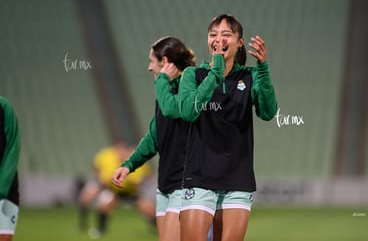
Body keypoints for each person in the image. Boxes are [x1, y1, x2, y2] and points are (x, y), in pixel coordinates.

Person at [178, 14, 277, 241]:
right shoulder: (193, 75)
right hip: (200, 177)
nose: (218, 39)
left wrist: (263, 68)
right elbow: (188, 112)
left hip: (237, 180)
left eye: (226, 34)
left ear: (239, 42)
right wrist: (216, 71)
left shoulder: (250, 76)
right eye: (213, 34)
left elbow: (268, 112)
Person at [112, 36, 196, 241]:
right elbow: (154, 137)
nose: (150, 68)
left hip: (185, 184)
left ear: (165, 62)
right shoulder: (164, 92)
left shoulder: (189, 87)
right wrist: (129, 165)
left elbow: (172, 109)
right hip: (165, 186)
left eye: (152, 61)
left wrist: (161, 82)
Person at [78, 141, 156, 238]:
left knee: (147, 209)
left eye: (124, 151)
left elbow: (144, 178)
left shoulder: (136, 162)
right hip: (115, 190)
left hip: (131, 192)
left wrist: (141, 183)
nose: (121, 154)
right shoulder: (110, 161)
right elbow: (103, 177)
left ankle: (158, 229)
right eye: (119, 151)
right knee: (105, 206)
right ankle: (100, 229)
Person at [0, 96, 21, 241]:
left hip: (5, 189)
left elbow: (13, 147)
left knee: (4, 237)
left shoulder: (3, 106)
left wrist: (1, 189)